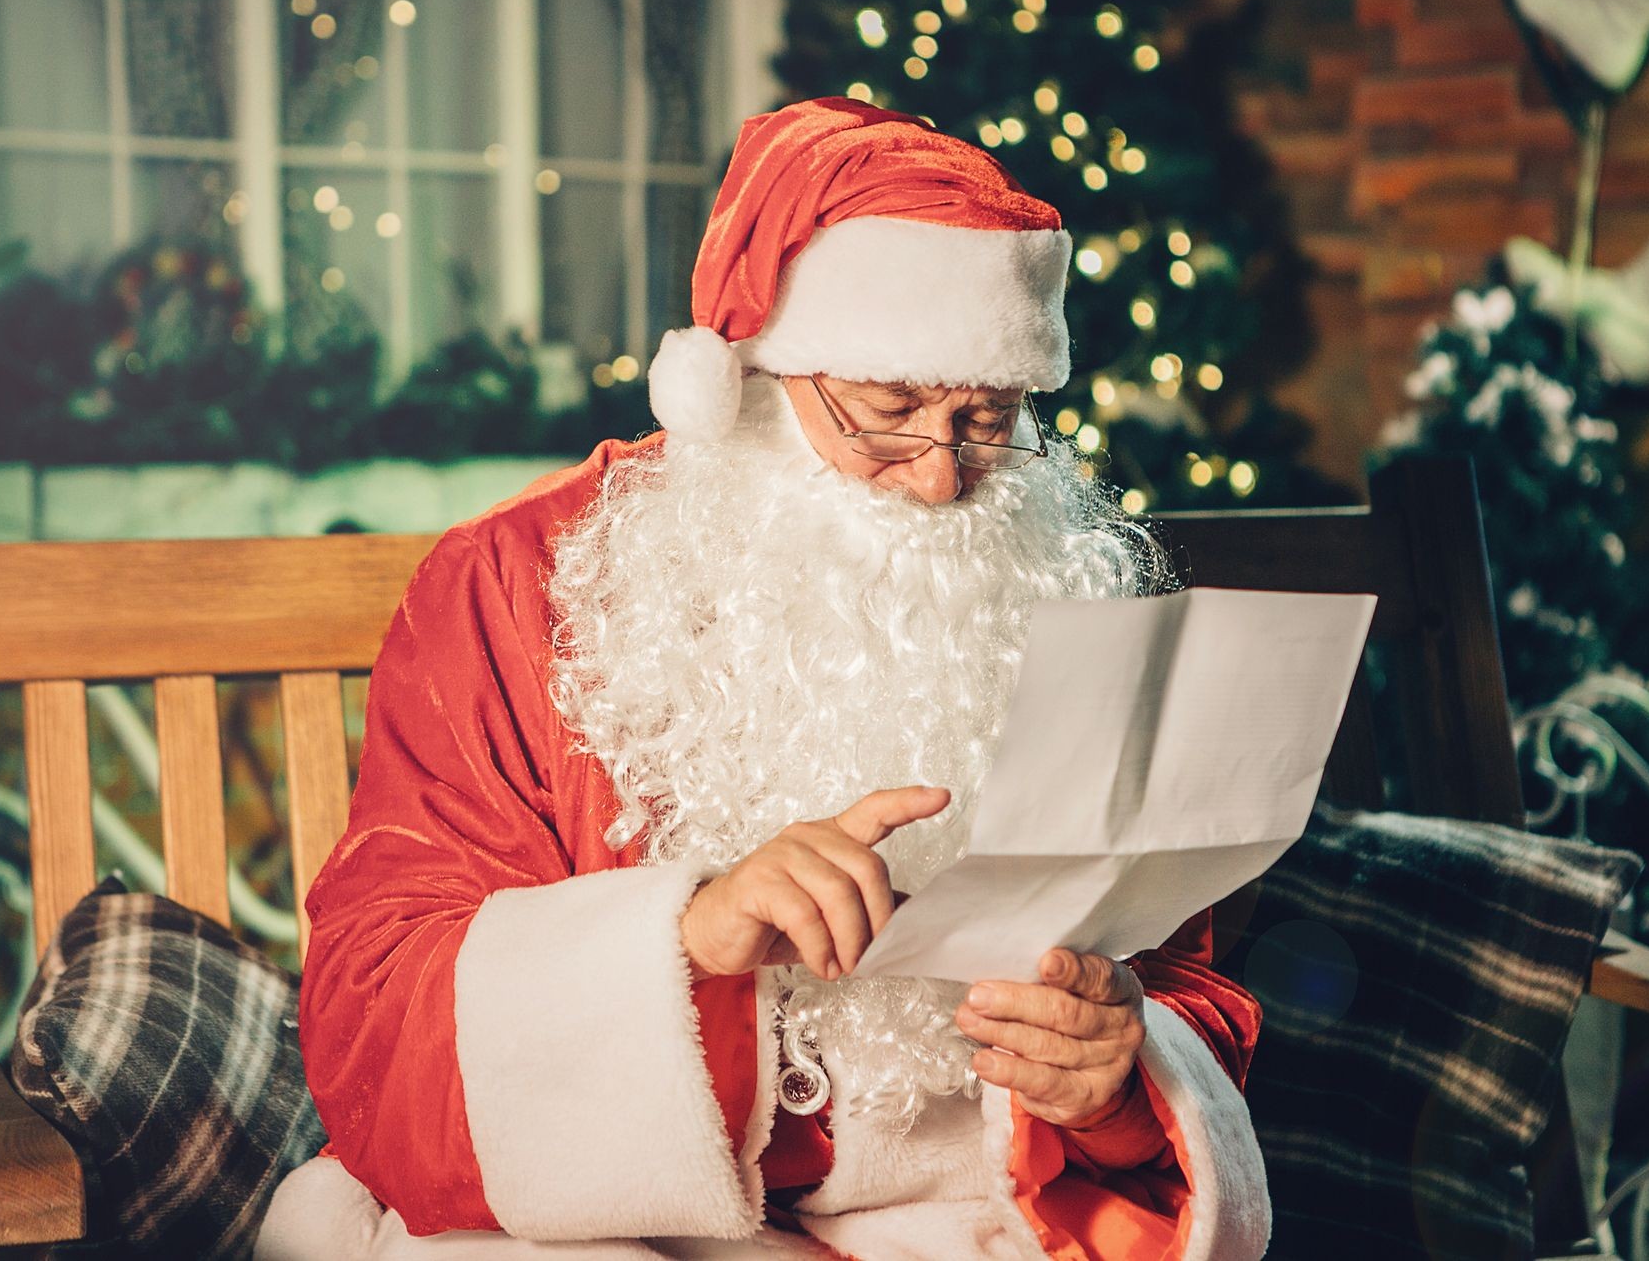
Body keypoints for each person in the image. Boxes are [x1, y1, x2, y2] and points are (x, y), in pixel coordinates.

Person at [257, 97, 1271, 1260]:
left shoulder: (1066, 586)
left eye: (986, 421)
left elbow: (1175, 974)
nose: (942, 479)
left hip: (953, 1216)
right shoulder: (515, 586)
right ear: (743, 383)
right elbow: (375, 1005)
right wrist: (691, 937)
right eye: (888, 414)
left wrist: (1112, 1076)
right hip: (600, 1219)